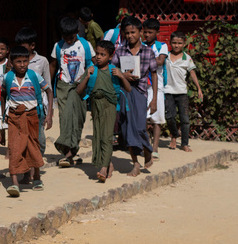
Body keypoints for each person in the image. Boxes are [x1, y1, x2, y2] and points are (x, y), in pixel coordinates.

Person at [77, 40, 130, 182]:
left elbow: (128, 89)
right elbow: (78, 91)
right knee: (98, 136)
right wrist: (87, 77)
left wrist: (121, 76)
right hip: (95, 105)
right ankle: (109, 164)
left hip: (110, 106)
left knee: (107, 137)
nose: (99, 57)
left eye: (103, 54)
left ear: (110, 56)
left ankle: (103, 168)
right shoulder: (91, 70)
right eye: (97, 54)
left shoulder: (114, 71)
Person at [112, 16, 158, 177]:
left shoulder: (148, 52)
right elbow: (112, 70)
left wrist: (154, 99)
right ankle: (136, 163)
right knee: (126, 128)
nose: (130, 36)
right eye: (127, 33)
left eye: (133, 32)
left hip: (140, 93)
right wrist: (122, 75)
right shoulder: (119, 52)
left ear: (140, 32)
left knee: (139, 127)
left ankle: (147, 149)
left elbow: (154, 74)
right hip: (124, 93)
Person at [1, 45, 46, 197]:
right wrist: (3, 116)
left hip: (32, 116)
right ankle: (15, 184)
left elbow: (49, 90)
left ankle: (37, 177)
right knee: (14, 147)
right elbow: (3, 95)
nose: (22, 65)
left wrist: (49, 114)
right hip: (14, 117)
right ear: (11, 63)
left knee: (33, 146)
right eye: (18, 61)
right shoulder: (8, 77)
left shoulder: (33, 76)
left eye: (25, 61)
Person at [51, 16, 93, 168]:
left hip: (81, 86)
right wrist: (49, 87)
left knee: (78, 119)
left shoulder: (86, 45)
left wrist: (89, 84)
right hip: (63, 86)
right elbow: (53, 65)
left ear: (77, 32)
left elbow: (91, 65)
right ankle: (68, 153)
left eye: (71, 37)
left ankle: (72, 149)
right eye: (65, 37)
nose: (68, 40)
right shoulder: (58, 46)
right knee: (65, 117)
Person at [15, 26, 53, 158]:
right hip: (20, 105)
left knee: (39, 135)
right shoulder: (15, 61)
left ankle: (38, 158)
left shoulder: (42, 61)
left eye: (23, 45)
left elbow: (49, 88)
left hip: (38, 106)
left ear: (32, 45)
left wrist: (49, 113)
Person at [163, 32, 203, 152]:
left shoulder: (187, 58)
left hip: (182, 93)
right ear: (170, 43)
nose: (176, 45)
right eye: (174, 43)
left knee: (185, 119)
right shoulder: (165, 57)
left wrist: (199, 88)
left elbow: (192, 73)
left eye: (180, 43)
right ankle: (174, 135)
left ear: (184, 44)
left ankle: (184, 143)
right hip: (168, 91)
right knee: (169, 116)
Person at [142, 18, 168, 157]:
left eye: (150, 32)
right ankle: (147, 145)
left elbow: (160, 62)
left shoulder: (162, 46)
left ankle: (155, 147)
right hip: (143, 85)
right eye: (145, 32)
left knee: (157, 118)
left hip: (157, 86)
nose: (147, 35)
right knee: (144, 118)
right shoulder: (141, 45)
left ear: (157, 32)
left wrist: (144, 60)